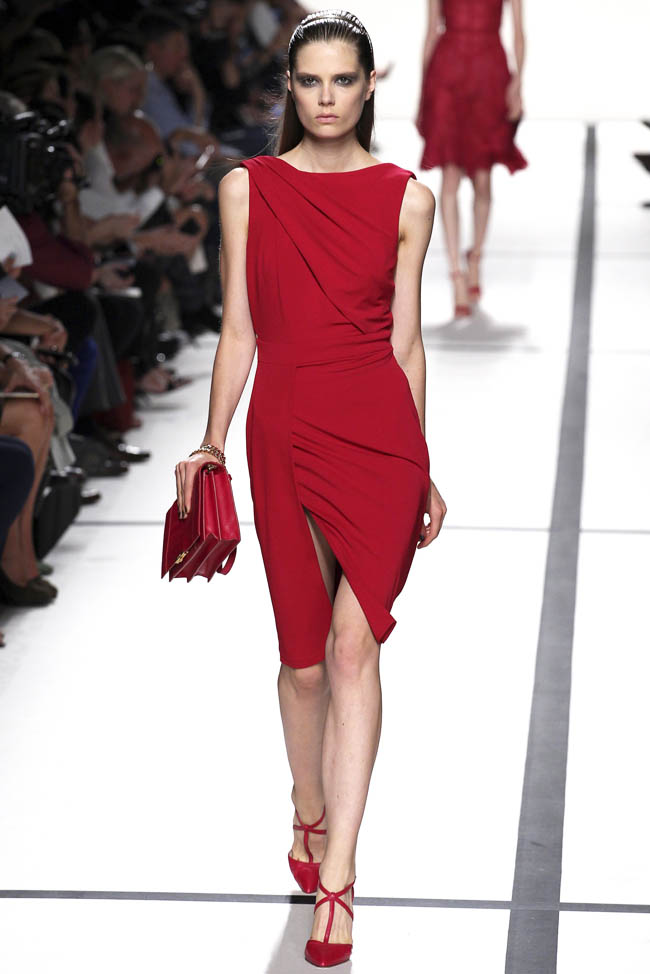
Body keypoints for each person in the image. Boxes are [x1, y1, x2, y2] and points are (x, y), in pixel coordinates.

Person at [174, 10, 446, 968]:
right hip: (284, 432)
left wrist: (423, 463)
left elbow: (406, 343)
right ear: (289, 89)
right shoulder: (248, 189)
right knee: (302, 665)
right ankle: (306, 804)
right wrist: (211, 442)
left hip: (378, 438)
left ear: (370, 86)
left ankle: (340, 874)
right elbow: (239, 329)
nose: (327, 98)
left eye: (343, 80)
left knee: (353, 648)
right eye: (311, 81)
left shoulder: (408, 199)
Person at [417, 0, 527, 318]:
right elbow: (431, 30)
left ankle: (475, 256)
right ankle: (456, 272)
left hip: (489, 73)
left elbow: (519, 32)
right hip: (447, 74)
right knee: (450, 175)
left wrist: (518, 84)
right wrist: (423, 94)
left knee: (483, 178)